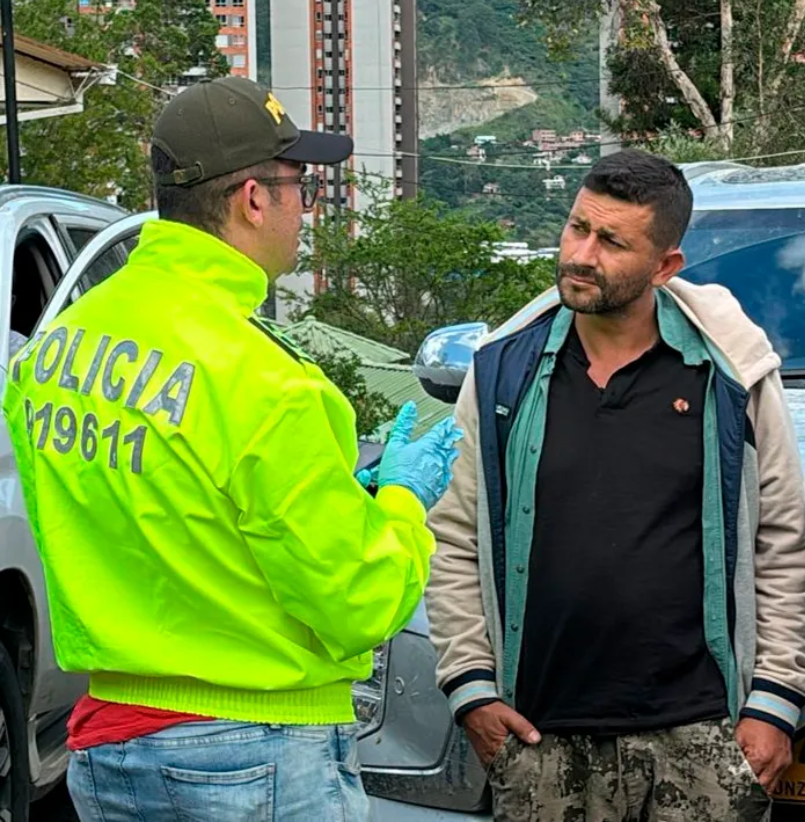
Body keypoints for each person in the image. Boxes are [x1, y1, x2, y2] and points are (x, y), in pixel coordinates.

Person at [2, 76, 462, 821]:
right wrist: (403, 501)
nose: (303, 212)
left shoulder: (54, 350)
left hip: (108, 743)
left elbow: (153, 503)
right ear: (254, 198)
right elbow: (362, 603)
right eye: (300, 189)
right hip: (250, 755)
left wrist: (331, 490)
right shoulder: (266, 379)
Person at [425, 148, 805, 821]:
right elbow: (455, 537)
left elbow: (782, 540)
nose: (581, 255)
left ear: (665, 267)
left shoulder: (729, 373)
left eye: (612, 241)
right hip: (539, 735)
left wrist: (775, 699)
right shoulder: (504, 371)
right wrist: (471, 689)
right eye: (578, 227)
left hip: (702, 736)